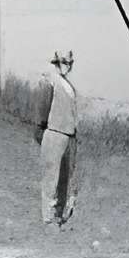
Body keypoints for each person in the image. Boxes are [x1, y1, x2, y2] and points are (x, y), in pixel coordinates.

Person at [38, 49, 80, 226]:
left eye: (68, 63)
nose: (65, 66)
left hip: (68, 136)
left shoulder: (68, 85)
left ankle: (60, 214)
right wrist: (42, 127)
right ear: (56, 62)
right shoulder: (49, 80)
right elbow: (43, 107)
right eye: (62, 62)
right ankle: (48, 217)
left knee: (65, 177)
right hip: (54, 132)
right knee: (51, 176)